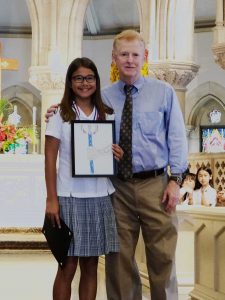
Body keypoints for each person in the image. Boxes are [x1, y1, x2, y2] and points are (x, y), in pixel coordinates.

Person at [45, 30, 188, 300]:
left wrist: (175, 180)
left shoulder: (164, 92)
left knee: (163, 257)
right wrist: (55, 109)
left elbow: (177, 137)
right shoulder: (104, 97)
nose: (130, 60)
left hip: (155, 185)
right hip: (117, 188)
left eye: (135, 54)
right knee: (118, 260)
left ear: (144, 57)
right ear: (114, 58)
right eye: (124, 54)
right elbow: (77, 107)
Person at [45, 57, 123, 300]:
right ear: (70, 82)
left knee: (91, 265)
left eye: (89, 78)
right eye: (78, 78)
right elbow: (49, 159)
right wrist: (52, 200)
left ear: (96, 82)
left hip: (100, 196)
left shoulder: (106, 114)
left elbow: (111, 152)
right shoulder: (60, 114)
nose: (84, 83)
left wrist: (117, 154)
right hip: (69, 197)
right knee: (67, 266)